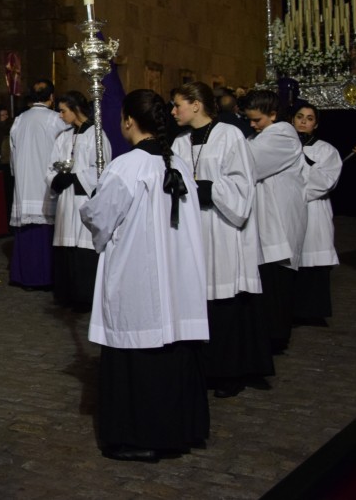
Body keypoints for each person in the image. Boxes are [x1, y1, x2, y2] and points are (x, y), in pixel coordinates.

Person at [79, 89, 209, 462]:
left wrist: (91, 205)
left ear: (128, 121)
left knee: (142, 350)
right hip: (178, 275)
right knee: (173, 349)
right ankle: (180, 430)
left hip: (139, 276)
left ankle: (141, 435)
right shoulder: (179, 164)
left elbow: (100, 217)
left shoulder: (126, 166)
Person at [171, 82, 272, 398]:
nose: (173, 111)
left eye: (178, 105)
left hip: (223, 229)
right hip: (193, 229)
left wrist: (211, 189)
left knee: (226, 306)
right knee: (199, 303)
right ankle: (204, 368)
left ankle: (231, 372)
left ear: (197, 104)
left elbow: (243, 185)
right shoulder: (179, 143)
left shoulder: (230, 135)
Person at [243, 89, 307, 354]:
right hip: (267, 220)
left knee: (277, 282)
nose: (252, 125)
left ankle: (276, 337)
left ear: (273, 114)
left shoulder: (282, 135)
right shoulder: (260, 136)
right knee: (268, 281)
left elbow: (249, 164)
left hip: (279, 220)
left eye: (257, 119)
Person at [46, 91, 110, 312]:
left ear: (75, 109)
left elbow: (102, 170)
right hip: (66, 201)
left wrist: (75, 177)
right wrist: (57, 178)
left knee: (83, 247)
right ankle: (67, 294)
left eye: (63, 111)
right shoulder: (63, 137)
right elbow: (50, 166)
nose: (60, 115)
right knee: (66, 246)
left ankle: (85, 296)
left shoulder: (97, 136)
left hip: (83, 199)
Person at [8, 79, 67, 289]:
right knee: (46, 232)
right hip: (45, 185)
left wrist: (18, 175)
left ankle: (25, 275)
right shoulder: (55, 120)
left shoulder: (19, 120)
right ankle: (45, 276)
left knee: (28, 233)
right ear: (52, 98)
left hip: (25, 185)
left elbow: (13, 156)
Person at [292, 103, 342, 326]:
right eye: (300, 117)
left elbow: (324, 181)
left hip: (314, 210)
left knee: (313, 261)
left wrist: (295, 191)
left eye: (309, 118)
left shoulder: (326, 150)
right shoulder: (283, 147)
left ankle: (312, 311)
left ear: (316, 124)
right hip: (288, 211)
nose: (303, 121)